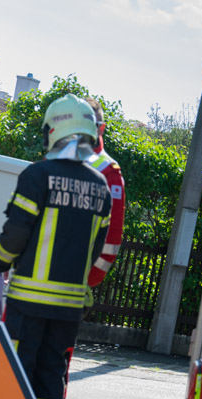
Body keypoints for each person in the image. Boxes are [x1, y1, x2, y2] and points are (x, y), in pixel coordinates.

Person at [0, 94, 112, 399]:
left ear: (54, 130)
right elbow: (97, 249)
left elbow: (17, 232)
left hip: (29, 297)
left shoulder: (37, 175)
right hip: (69, 305)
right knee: (51, 370)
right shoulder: (101, 187)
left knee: (14, 364)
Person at [85, 97, 125, 288]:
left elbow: (112, 237)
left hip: (76, 279)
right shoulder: (56, 158)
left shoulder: (109, 171)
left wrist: (88, 281)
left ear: (101, 128)